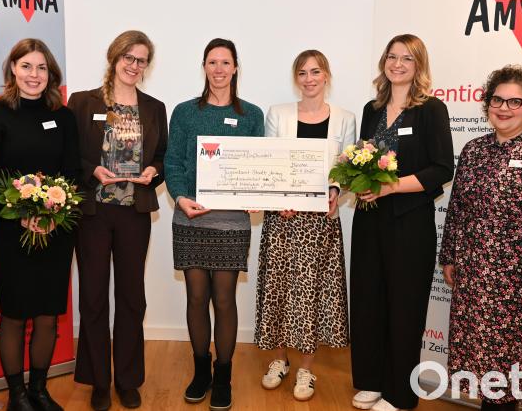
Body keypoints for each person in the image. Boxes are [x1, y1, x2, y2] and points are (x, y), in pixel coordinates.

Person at [439, 65, 522, 410]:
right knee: (485, 369)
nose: (503, 107)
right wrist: (450, 257)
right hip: (476, 278)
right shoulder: (473, 150)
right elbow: (457, 209)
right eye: (498, 99)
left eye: (515, 101)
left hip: (520, 284)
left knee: (510, 372)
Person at [349, 34, 454, 411]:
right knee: (368, 299)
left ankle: (399, 393)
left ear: (418, 66)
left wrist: (391, 187)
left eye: (406, 59)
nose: (397, 64)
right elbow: (362, 159)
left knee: (405, 308)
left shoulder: (430, 110)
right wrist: (357, 182)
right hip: (369, 220)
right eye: (392, 57)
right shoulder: (372, 108)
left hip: (409, 224)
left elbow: (442, 169)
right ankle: (372, 381)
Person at [67, 30, 168, 411]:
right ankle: (98, 380)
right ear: (114, 58)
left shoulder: (154, 107)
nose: (134, 65)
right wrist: (91, 168)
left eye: (141, 60)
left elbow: (162, 154)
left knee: (131, 298)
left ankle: (127, 379)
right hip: (93, 211)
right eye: (128, 57)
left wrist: (152, 172)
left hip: (133, 212)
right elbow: (69, 154)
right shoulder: (82, 102)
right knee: (92, 297)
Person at [0, 39, 79, 411]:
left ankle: (39, 389)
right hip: (10, 231)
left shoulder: (63, 116)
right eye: (26, 66)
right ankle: (16, 395)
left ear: (50, 74)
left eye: (41, 68)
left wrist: (52, 215)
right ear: (13, 70)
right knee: (15, 314)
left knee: (47, 313)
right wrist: (22, 212)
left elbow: (72, 172)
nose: (34, 75)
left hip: (57, 228)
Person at [164, 38, 265, 411]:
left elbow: (258, 167)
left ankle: (223, 376)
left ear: (236, 67)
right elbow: (172, 162)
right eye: (212, 62)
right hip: (190, 216)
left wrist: (258, 196)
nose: (219, 69)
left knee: (223, 299)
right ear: (203, 67)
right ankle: (200, 372)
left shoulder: (252, 115)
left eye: (225, 62)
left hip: (232, 221)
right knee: (195, 297)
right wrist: (179, 197)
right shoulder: (185, 112)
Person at [255, 50, 355, 401]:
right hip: (283, 218)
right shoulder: (277, 114)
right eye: (302, 72)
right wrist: (278, 197)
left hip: (320, 221)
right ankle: (279, 361)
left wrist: (335, 190)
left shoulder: (345, 118)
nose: (309, 78)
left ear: (326, 75)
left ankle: (306, 369)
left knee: (313, 293)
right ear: (295, 78)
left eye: (316, 71)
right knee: (279, 289)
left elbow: (345, 167)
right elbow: (270, 161)